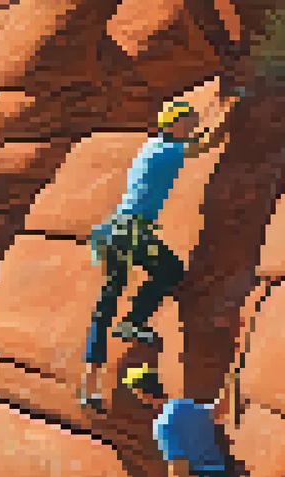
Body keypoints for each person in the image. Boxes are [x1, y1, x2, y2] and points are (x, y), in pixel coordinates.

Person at [78, 95, 240, 412]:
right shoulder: (167, 150)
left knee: (106, 303)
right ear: (175, 123)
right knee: (169, 270)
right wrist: (236, 106)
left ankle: (89, 388)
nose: (192, 127)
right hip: (129, 232)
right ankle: (134, 320)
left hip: (114, 232)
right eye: (189, 122)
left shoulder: (152, 147)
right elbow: (207, 143)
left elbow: (195, 140)